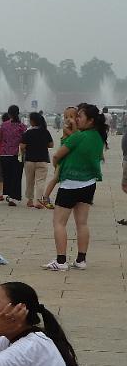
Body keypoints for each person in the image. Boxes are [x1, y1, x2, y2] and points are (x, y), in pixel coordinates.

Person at [43, 104, 107, 271]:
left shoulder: (79, 137)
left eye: (80, 116)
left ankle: (61, 261)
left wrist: (57, 165)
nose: (77, 119)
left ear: (91, 120)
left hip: (70, 184)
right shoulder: (98, 137)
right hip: (89, 184)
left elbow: (57, 155)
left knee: (59, 222)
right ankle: (81, 260)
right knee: (82, 223)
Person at [41, 106, 79, 209]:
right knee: (56, 178)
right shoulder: (66, 128)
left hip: (70, 159)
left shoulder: (78, 129)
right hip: (62, 159)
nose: (68, 119)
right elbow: (75, 138)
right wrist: (74, 124)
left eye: (71, 116)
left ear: (77, 117)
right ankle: (45, 197)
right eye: (66, 116)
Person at [20, 112, 54, 209]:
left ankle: (30, 200)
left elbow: (22, 146)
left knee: (30, 181)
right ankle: (39, 201)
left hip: (30, 160)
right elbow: (51, 145)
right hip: (42, 160)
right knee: (41, 181)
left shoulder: (28, 132)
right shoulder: (45, 131)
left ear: (32, 121)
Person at [0, 105, 27, 207]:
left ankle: (10, 195)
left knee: (8, 176)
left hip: (5, 154)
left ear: (9, 113)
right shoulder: (22, 126)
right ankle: (15, 197)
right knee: (17, 177)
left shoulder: (4, 125)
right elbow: (25, 140)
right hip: (17, 155)